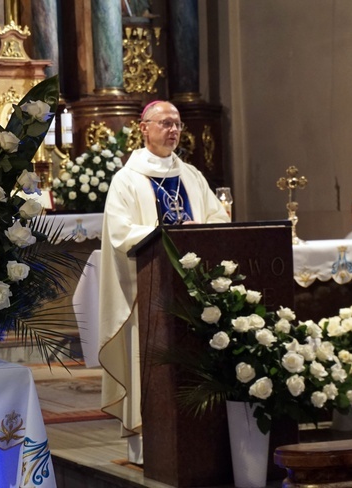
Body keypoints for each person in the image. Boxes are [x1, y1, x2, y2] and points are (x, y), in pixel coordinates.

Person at [98, 101, 230, 464]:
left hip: (194, 291)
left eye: (177, 124)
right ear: (144, 128)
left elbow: (218, 219)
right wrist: (167, 232)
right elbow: (120, 233)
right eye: (165, 123)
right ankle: (147, 447)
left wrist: (199, 230)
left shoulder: (191, 176)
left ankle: (199, 441)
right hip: (150, 293)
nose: (173, 130)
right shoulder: (127, 179)